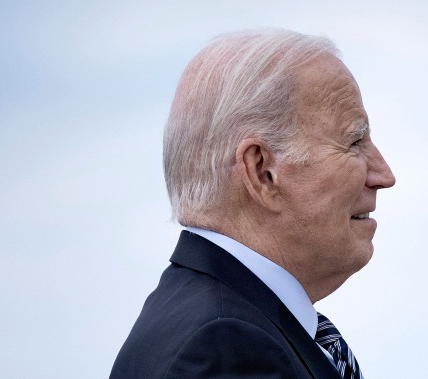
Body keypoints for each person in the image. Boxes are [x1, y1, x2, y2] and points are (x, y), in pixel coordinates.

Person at [110, 28, 395, 379]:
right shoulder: (226, 349)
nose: (384, 175)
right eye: (353, 143)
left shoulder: (218, 322)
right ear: (262, 170)